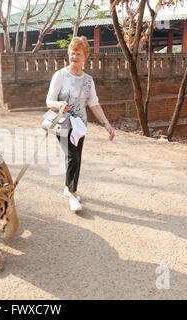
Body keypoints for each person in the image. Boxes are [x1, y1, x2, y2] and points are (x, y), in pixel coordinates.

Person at [46, 36, 115, 212]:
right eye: (71, 53)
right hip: (63, 124)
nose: (74, 57)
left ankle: (67, 187)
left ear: (85, 56)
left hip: (80, 127)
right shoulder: (60, 75)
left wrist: (106, 124)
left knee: (76, 157)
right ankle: (72, 195)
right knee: (73, 157)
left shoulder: (88, 80)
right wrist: (59, 104)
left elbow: (94, 103)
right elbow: (49, 100)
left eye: (78, 54)